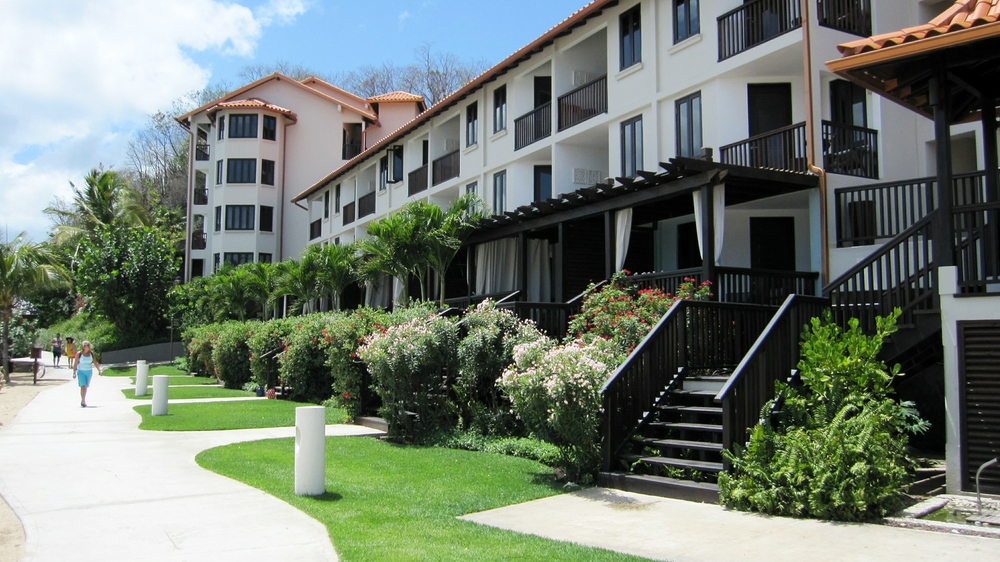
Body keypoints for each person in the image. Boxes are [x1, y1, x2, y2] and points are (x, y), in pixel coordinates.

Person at [73, 341, 100, 408]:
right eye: (85, 345)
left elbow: (95, 362)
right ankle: (83, 400)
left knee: (86, 386)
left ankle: (83, 399)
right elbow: (75, 363)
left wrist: (99, 370)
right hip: (81, 371)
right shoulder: (79, 354)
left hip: (89, 372)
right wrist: (74, 372)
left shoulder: (92, 353)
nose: (86, 346)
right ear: (83, 346)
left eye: (87, 345)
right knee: (83, 386)